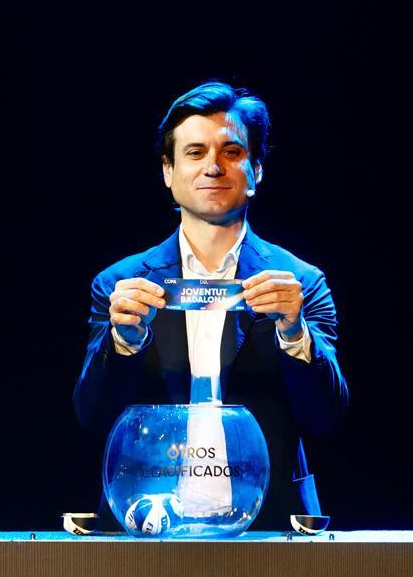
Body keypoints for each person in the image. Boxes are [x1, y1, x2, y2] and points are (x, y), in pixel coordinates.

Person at [72, 81, 347, 530]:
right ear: (168, 171)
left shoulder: (300, 282)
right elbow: (93, 415)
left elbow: (325, 417)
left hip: (270, 528)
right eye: (195, 152)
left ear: (256, 170)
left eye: (232, 152)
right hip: (147, 524)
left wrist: (295, 333)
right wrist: (122, 342)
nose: (213, 167)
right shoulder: (121, 285)